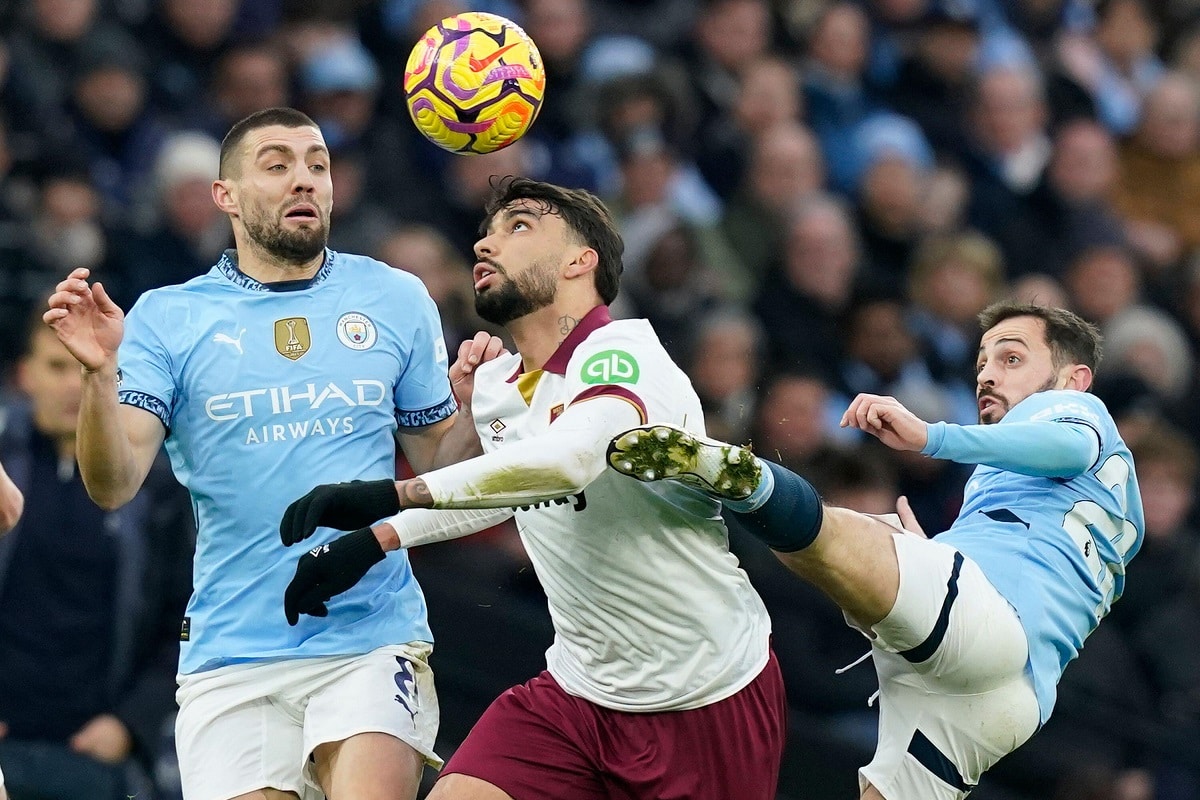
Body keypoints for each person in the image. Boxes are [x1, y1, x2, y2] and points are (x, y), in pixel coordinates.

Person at [279, 177, 786, 800]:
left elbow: (570, 461)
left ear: (582, 261)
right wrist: (376, 539)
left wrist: (395, 496)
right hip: (577, 691)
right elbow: (509, 488)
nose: (486, 243)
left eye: (518, 226)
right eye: (488, 231)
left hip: (705, 692)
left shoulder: (622, 352)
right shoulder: (499, 385)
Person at [43, 107, 495, 800]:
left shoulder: (395, 297)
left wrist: (473, 408)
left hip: (370, 637)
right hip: (233, 651)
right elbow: (112, 485)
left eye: (317, 164)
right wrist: (99, 377)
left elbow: (439, 467)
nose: (304, 180)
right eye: (277, 164)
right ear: (225, 195)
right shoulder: (168, 317)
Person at [607, 301, 1145, 800]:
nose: (986, 374)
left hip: (992, 624)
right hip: (1013, 695)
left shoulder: (1076, 410)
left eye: (1011, 358)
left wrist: (931, 437)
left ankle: (741, 475)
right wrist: (934, 550)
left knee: (840, 538)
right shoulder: (1089, 495)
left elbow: (1069, 443)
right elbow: (1038, 548)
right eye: (982, 360)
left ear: (1074, 380)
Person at [0, 309, 193, 800]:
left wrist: (132, 722)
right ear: (24, 375)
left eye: (85, 369)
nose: (72, 386)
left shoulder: (157, 489)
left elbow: (185, 616)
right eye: (56, 367)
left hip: (100, 753)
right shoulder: (3, 471)